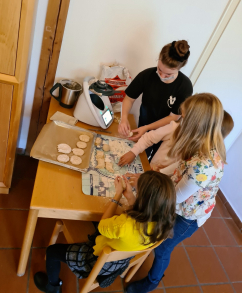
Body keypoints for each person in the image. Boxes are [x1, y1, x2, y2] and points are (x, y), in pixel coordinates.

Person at [126, 93, 229, 293]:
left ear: (195, 123)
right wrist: (147, 177)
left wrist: (144, 187)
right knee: (157, 235)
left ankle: (152, 281)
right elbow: (177, 169)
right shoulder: (199, 142)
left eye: (184, 117)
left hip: (188, 216)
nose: (179, 120)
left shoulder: (204, 166)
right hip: (179, 200)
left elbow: (173, 199)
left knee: (163, 247)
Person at [34, 171, 176, 293]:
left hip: (95, 257)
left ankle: (53, 287)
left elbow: (103, 226)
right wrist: (131, 198)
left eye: (137, 192)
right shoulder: (163, 227)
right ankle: (111, 271)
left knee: (52, 251)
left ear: (144, 202)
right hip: (121, 258)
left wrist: (118, 195)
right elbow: (143, 214)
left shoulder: (125, 224)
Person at [118, 40, 193, 160]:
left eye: (168, 74)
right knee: (140, 157)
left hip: (166, 133)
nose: (162, 76)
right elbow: (129, 99)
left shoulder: (184, 86)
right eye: (159, 69)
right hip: (143, 126)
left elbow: (173, 117)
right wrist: (124, 118)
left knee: (154, 163)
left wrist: (148, 128)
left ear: (179, 68)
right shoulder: (147, 75)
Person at [118, 109, 233, 177]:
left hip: (165, 184)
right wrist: (133, 152)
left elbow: (180, 169)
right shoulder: (175, 128)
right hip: (152, 172)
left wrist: (158, 173)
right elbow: (149, 138)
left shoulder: (202, 154)